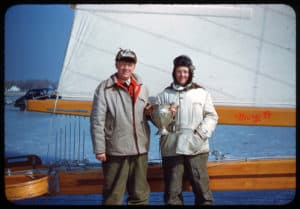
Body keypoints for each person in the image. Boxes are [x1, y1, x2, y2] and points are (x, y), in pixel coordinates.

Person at [155, 55, 218, 205]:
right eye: (179, 72)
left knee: (203, 192)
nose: (182, 75)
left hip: (197, 147)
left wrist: (199, 134)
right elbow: (159, 123)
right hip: (172, 148)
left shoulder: (202, 93)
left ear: (190, 73)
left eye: (185, 72)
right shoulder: (164, 95)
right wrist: (168, 114)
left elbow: (212, 116)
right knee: (172, 194)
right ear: (174, 73)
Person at [90, 49, 151, 205]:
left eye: (129, 64)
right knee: (113, 197)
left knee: (140, 196)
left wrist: (162, 114)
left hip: (140, 150)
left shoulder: (143, 87)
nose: (126, 68)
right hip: (115, 150)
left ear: (134, 66)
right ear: (116, 64)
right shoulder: (104, 89)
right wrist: (99, 149)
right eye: (123, 64)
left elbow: (147, 115)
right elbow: (97, 120)